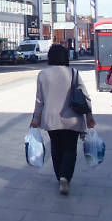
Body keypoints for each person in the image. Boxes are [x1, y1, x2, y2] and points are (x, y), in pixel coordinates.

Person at [30, 44, 96, 195]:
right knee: (70, 149)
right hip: (72, 118)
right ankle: (65, 176)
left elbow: (39, 100)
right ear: (66, 57)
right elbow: (85, 97)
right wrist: (90, 115)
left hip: (51, 119)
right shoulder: (73, 73)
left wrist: (36, 119)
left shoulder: (43, 74)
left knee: (56, 148)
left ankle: (60, 175)